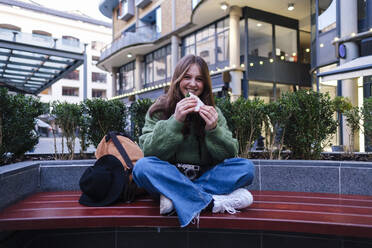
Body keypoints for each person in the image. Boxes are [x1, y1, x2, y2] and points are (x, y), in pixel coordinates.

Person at [132, 54, 254, 227]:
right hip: (167, 175)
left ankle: (175, 197)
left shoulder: (214, 112)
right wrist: (175, 121)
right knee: (142, 167)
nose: (193, 84)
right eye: (187, 77)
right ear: (177, 79)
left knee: (246, 168)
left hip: (203, 177)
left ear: (205, 85)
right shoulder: (159, 110)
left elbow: (230, 154)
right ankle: (213, 203)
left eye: (199, 79)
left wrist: (213, 130)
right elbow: (150, 152)